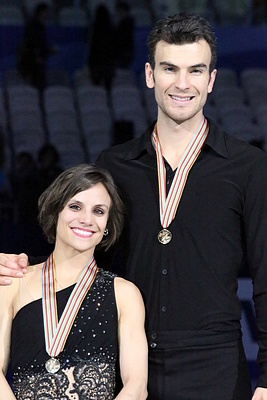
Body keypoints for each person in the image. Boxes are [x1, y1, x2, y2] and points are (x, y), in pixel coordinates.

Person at [1, 12, 267, 400]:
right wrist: (23, 271)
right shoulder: (115, 164)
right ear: (149, 74)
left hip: (215, 369)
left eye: (196, 71)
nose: (181, 83)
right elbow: (88, 252)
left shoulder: (249, 166)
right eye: (169, 68)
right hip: (126, 366)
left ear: (211, 80)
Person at [0, 164, 148, 399]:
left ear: (107, 226)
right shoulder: (13, 282)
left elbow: (137, 386)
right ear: (55, 210)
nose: (86, 219)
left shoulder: (124, 294)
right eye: (75, 207)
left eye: (99, 211)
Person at [17, 2, 55, 91]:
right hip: (33, 65)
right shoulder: (33, 27)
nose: (48, 15)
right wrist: (40, 55)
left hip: (38, 64)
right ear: (41, 12)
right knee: (35, 89)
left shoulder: (40, 26)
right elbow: (34, 44)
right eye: (46, 12)